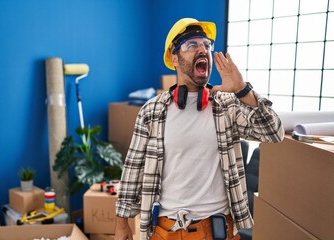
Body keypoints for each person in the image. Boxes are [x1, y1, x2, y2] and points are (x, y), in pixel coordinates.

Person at [114, 17, 284, 240]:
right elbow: (133, 169)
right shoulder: (151, 111)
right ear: (174, 58)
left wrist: (242, 90)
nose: (203, 49)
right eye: (192, 44)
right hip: (166, 232)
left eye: (207, 44)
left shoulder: (227, 105)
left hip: (218, 230)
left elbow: (274, 132)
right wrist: (122, 223)